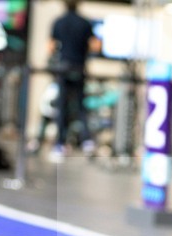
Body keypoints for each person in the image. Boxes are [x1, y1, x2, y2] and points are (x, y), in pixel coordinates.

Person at [47, 0, 100, 162]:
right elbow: (96, 46)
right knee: (81, 106)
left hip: (64, 68)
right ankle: (87, 142)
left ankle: (60, 144)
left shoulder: (59, 22)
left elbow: (50, 47)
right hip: (79, 67)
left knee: (61, 107)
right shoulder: (85, 23)